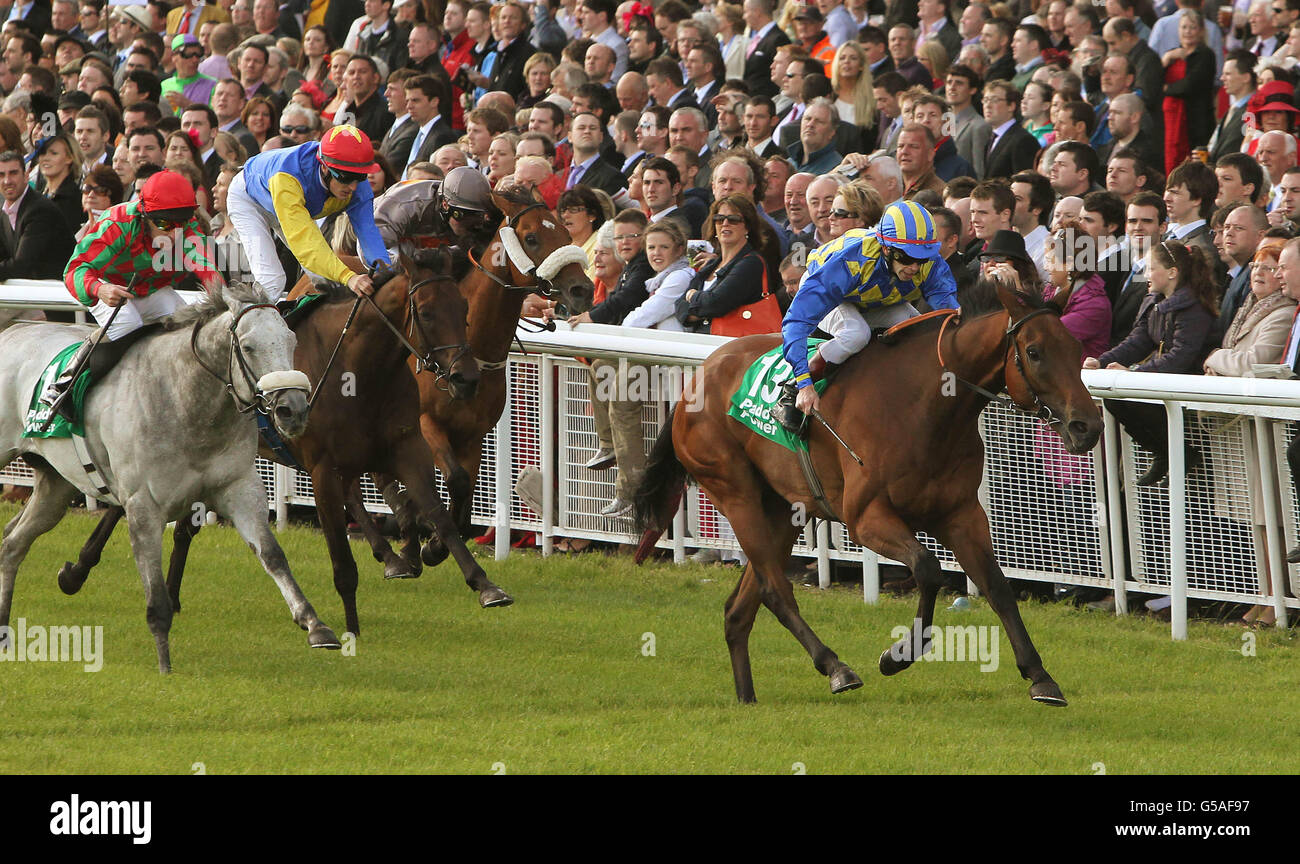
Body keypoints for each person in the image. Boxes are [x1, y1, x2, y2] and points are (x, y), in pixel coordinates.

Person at [40, 170, 222, 418]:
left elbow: (206, 267)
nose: (172, 233)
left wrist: (222, 300)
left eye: (180, 223)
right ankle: (65, 384)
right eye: (164, 224)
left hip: (149, 289)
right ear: (145, 214)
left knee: (185, 323)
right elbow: (74, 270)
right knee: (128, 323)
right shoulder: (117, 225)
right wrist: (100, 289)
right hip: (110, 287)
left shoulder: (182, 223)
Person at [778, 200, 958, 429]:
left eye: (920, 259)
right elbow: (796, 322)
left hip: (877, 298)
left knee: (916, 329)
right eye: (906, 258)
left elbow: (947, 311)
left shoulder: (929, 262)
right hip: (832, 291)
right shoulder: (849, 261)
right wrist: (804, 383)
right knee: (856, 333)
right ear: (886, 248)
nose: (914, 267)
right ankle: (792, 388)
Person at [1086, 240, 1218, 485]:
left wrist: (1134, 373)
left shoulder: (1195, 308)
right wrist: (1102, 362)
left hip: (1190, 387)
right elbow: (1137, 341)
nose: (1145, 274)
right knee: (1113, 398)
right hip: (1163, 381)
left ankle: (1178, 452)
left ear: (1172, 272)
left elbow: (1180, 358)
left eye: (1151, 268)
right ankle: (1165, 451)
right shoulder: (1154, 300)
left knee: (1129, 397)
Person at [225, 124, 388, 301]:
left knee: (326, 278)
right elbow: (306, 245)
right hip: (249, 199)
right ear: (324, 167)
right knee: (272, 280)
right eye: (345, 178)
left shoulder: (354, 178)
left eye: (360, 177)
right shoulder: (287, 179)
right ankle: (241, 326)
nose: (353, 186)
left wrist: (387, 273)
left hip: (286, 201)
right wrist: (350, 278)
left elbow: (368, 233)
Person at [674, 194, 770, 333]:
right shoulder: (711, 264)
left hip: (736, 345)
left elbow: (716, 303)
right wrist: (703, 309)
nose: (725, 223)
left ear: (747, 226)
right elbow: (679, 307)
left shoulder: (751, 263)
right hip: (704, 343)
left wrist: (692, 296)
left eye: (734, 219)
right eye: (719, 219)